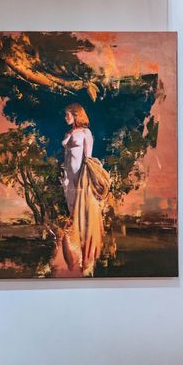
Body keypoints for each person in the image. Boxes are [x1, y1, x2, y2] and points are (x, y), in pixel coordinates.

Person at [61, 103, 110, 277]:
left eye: (67, 114)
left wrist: (89, 179)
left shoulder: (85, 133)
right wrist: (64, 177)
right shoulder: (68, 133)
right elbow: (66, 157)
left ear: (76, 115)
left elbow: (88, 159)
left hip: (81, 180)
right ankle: (75, 260)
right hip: (68, 179)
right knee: (72, 216)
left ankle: (86, 260)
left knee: (82, 217)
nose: (65, 117)